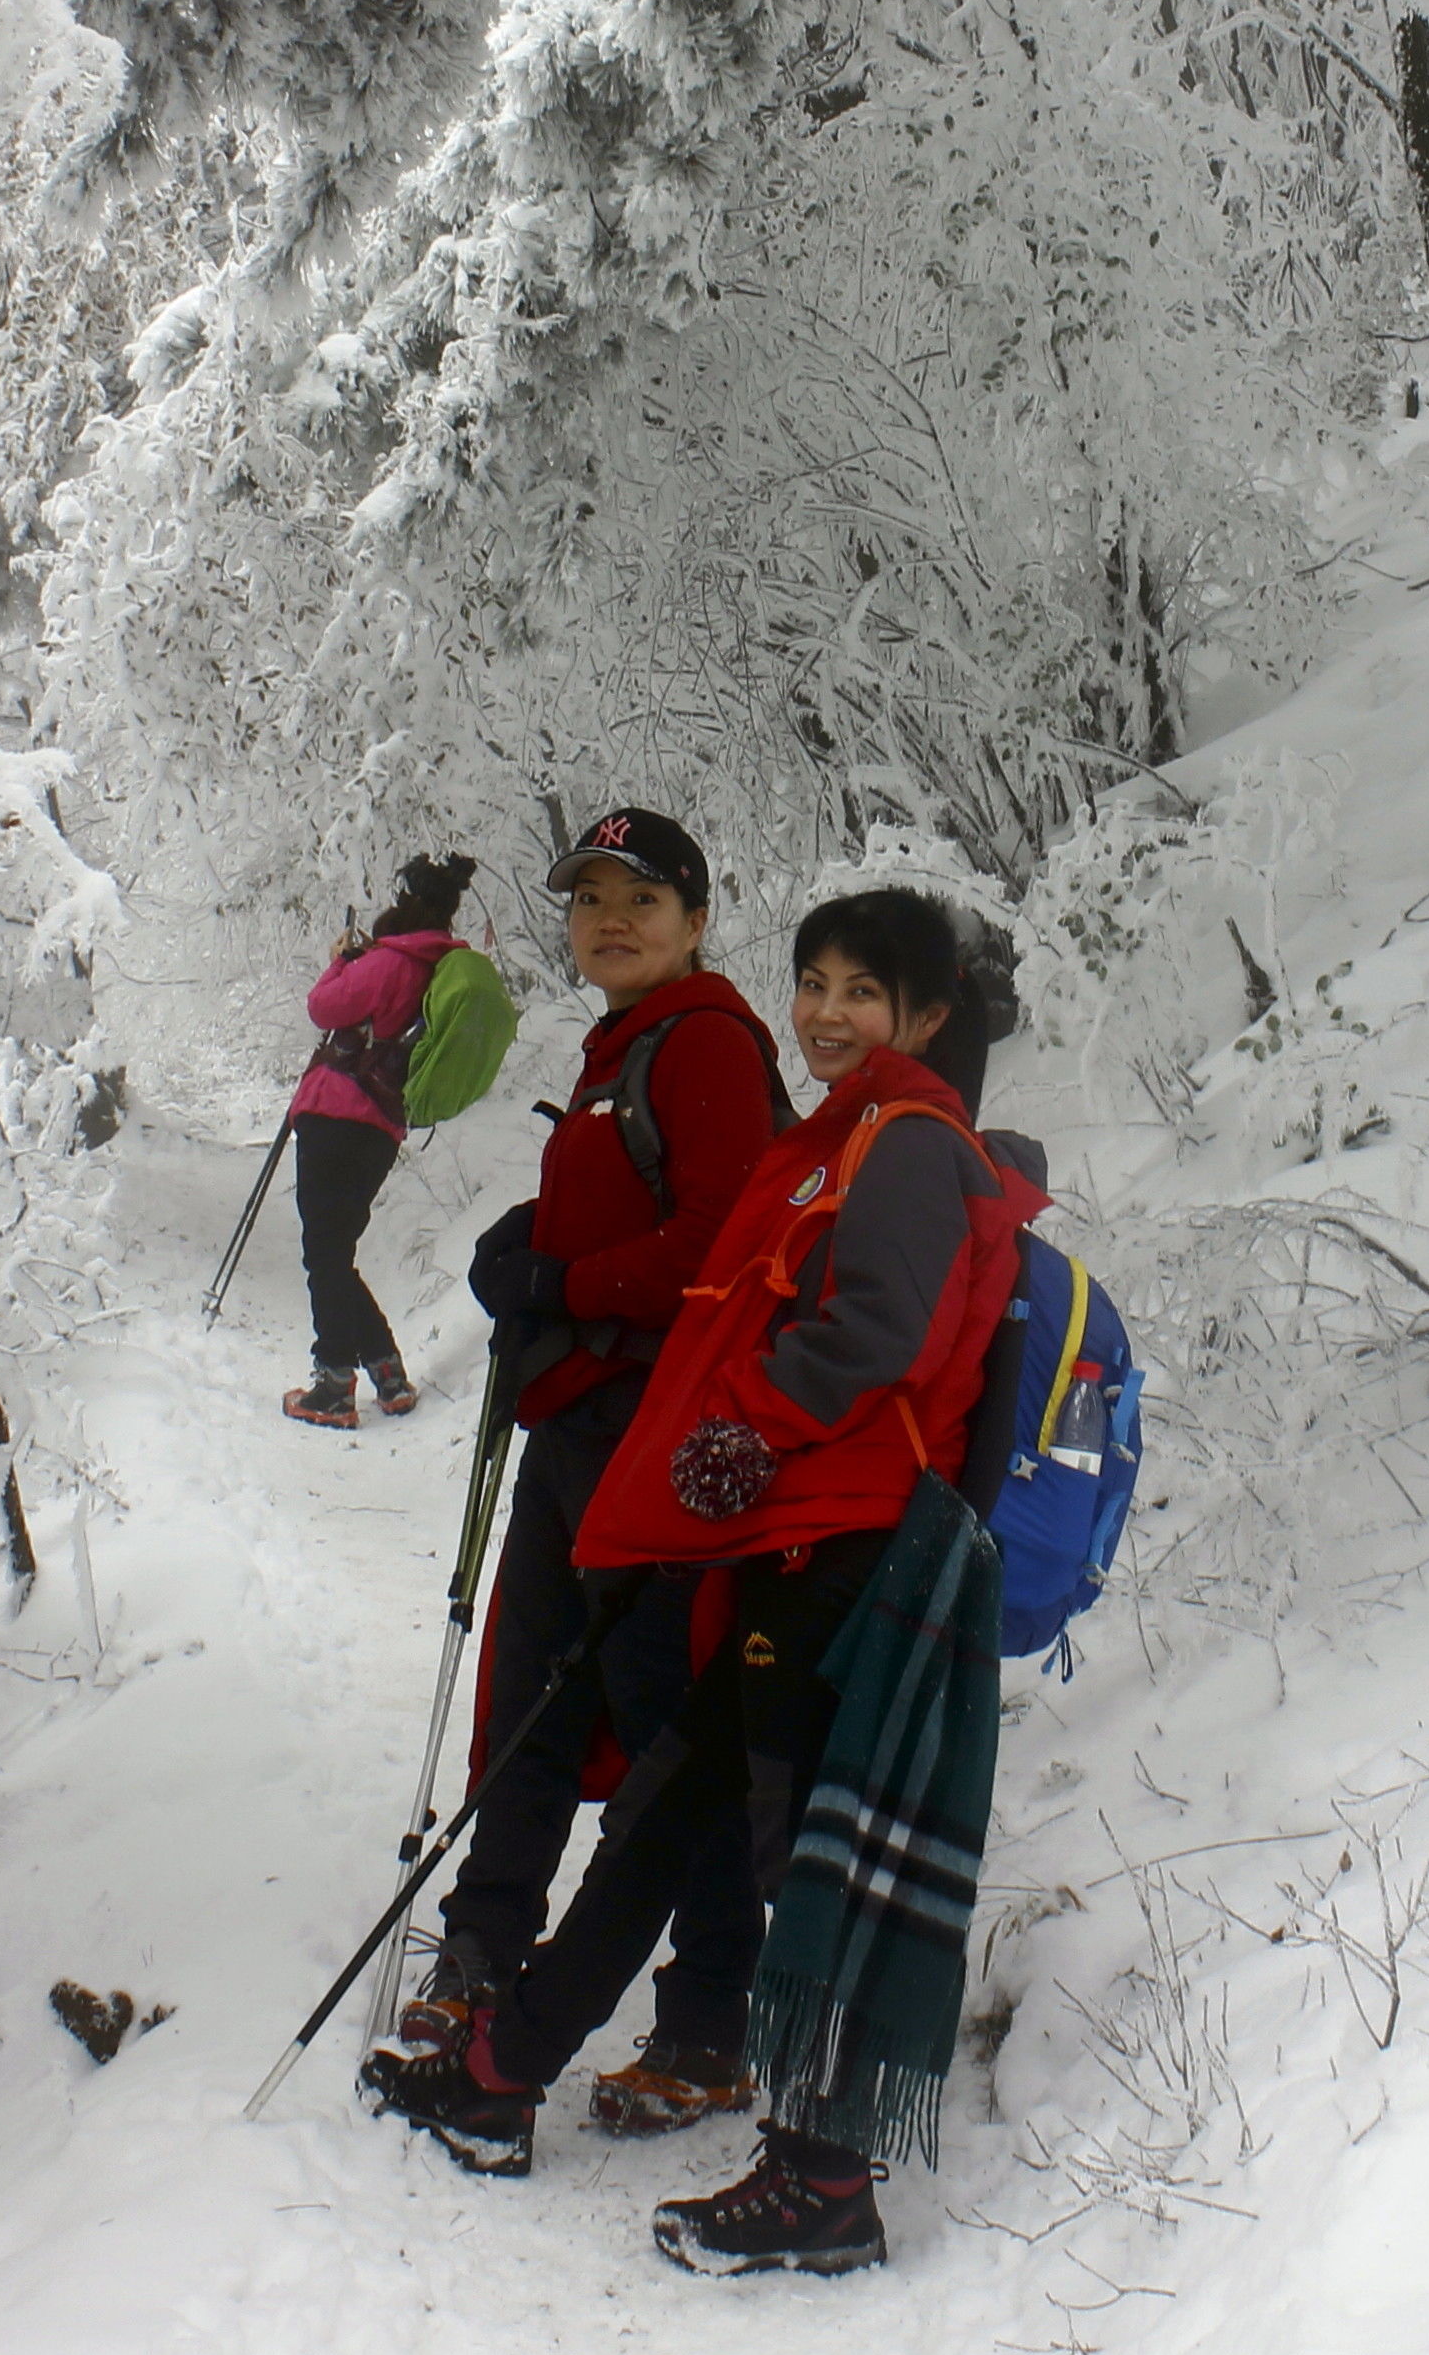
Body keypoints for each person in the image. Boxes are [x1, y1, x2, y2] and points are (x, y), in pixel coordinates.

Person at [366, 884, 1037, 2281]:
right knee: (677, 1812)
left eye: (865, 992)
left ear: (923, 1016)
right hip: (795, 1535)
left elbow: (879, 1337)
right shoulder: (843, 1141)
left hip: (851, 1540)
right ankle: (504, 2076)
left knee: (797, 1849)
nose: (828, 1014)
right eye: (816, 983)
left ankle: (825, 2178)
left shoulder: (910, 1145)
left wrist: (754, 1426)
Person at [411, 809, 785, 2136]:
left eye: (642, 897)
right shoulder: (623, 1048)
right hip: (581, 1433)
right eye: (588, 900)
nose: (610, 918)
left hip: (657, 1450)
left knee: (666, 1731)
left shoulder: (708, 1046)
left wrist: (558, 1279)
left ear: (695, 919)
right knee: (531, 1696)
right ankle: (481, 1959)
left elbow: (716, 1246)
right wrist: (541, 1237)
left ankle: (707, 2020)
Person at [278, 852, 473, 1429]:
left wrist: (339, 963)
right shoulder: (439, 965)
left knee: (325, 1255)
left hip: (337, 1115)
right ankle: (387, 1371)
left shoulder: (393, 962)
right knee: (335, 1254)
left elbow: (324, 1007)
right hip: (381, 1125)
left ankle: (335, 1385)